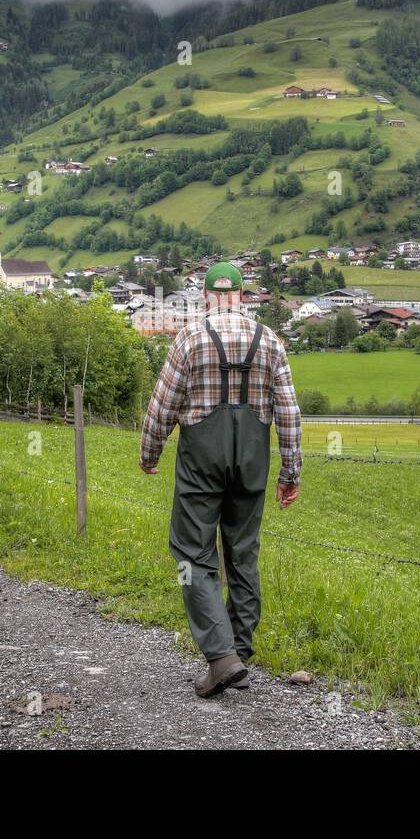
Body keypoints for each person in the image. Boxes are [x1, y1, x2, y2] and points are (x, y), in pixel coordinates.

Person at [139, 261, 302, 697]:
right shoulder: (270, 341)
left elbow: (162, 406)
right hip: (251, 463)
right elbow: (288, 413)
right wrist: (291, 472)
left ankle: (221, 656)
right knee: (242, 554)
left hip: (201, 463)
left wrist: (149, 452)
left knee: (192, 557)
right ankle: (238, 651)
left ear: (207, 296)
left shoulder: (189, 338)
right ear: (243, 295)